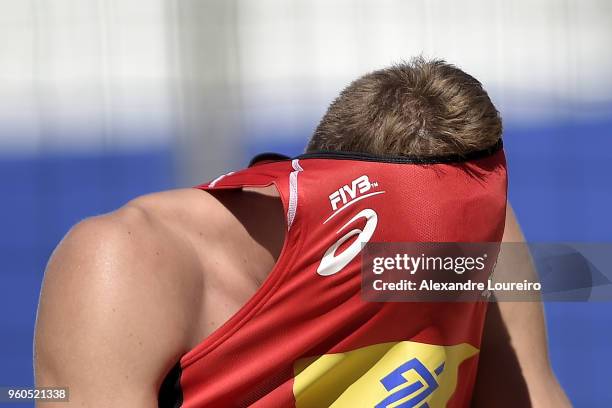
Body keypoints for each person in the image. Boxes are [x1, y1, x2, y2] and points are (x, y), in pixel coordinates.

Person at [35, 58, 570, 407]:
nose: (443, 272)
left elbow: (532, 395)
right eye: (420, 247)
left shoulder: (480, 237)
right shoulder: (126, 263)